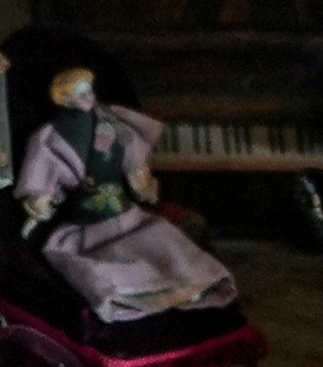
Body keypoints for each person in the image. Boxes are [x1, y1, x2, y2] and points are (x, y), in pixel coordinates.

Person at [14, 61, 238, 326]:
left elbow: (134, 162)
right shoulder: (51, 137)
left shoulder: (113, 120)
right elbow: (41, 177)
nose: (87, 96)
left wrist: (142, 183)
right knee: (106, 268)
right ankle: (135, 297)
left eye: (89, 90)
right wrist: (39, 200)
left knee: (167, 249)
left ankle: (184, 288)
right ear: (63, 98)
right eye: (79, 92)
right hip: (88, 227)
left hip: (128, 215)